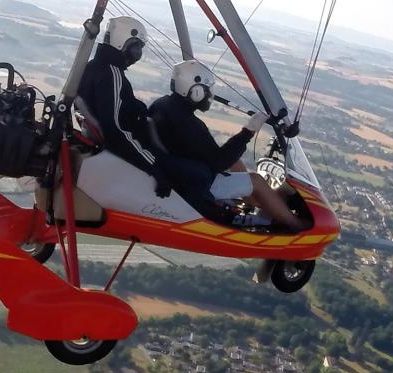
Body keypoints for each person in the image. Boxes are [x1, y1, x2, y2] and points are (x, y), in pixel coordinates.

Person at [148, 60, 309, 230]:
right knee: (257, 180)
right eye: (207, 88)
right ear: (195, 91)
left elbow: (206, 152)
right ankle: (296, 225)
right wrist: (248, 131)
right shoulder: (187, 123)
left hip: (182, 165)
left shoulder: (164, 104)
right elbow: (219, 162)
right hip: (194, 181)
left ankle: (270, 205)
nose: (210, 94)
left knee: (237, 164)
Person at [74, 15, 162, 176]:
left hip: (116, 147)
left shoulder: (93, 66)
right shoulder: (111, 73)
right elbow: (114, 130)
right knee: (197, 174)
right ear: (124, 43)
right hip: (129, 149)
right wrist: (154, 166)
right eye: (136, 49)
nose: (136, 56)